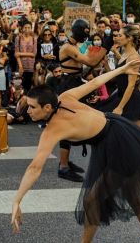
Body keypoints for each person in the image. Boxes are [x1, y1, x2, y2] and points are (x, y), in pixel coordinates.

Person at [11, 60, 140, 243]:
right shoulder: (64, 98)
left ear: (48, 107)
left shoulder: (53, 127)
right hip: (117, 132)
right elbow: (94, 83)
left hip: (119, 143)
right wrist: (121, 69)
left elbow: (35, 168)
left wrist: (16, 201)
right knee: (134, 198)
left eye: (32, 107)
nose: (28, 111)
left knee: (92, 201)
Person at [55, 19, 106, 182]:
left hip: (75, 83)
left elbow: (84, 66)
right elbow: (91, 61)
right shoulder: (68, 47)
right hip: (68, 86)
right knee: (67, 125)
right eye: (84, 34)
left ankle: (65, 162)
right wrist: (107, 46)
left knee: (77, 122)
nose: (86, 38)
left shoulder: (75, 45)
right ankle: (63, 167)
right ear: (77, 32)